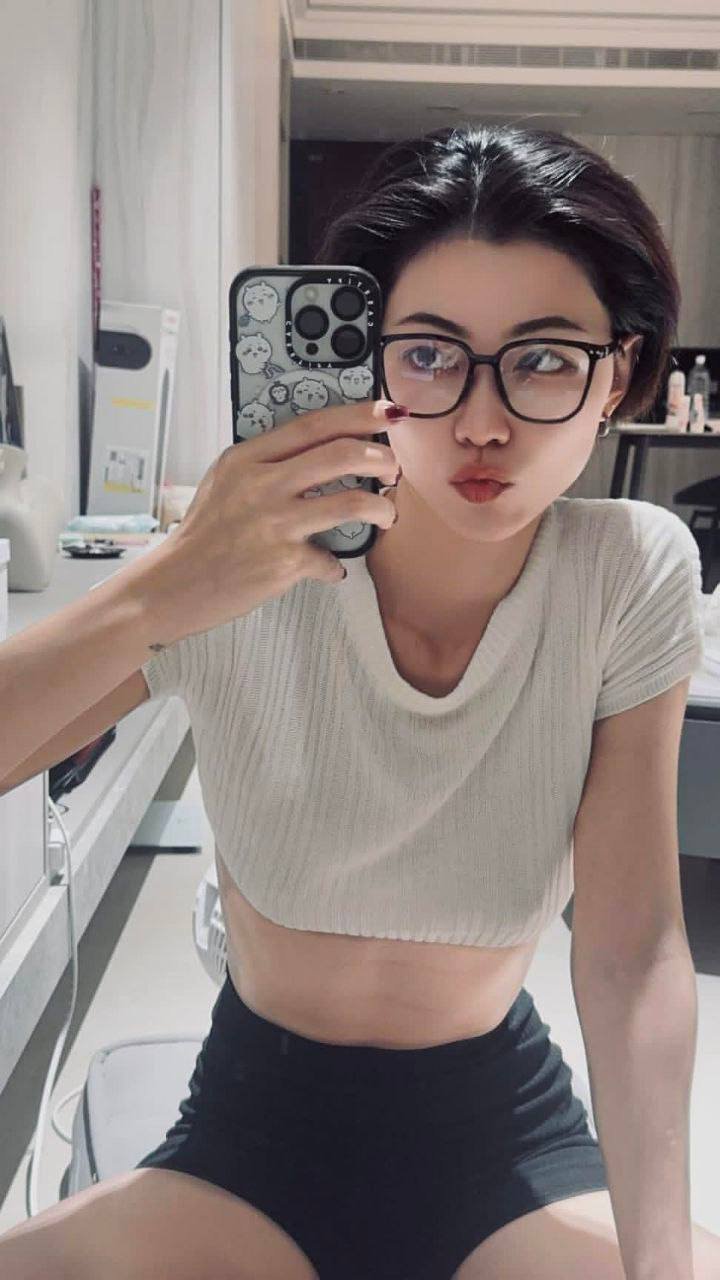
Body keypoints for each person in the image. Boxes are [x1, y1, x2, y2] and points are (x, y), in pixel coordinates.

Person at [2, 123, 720, 1280]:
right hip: (251, 1134)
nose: (482, 422)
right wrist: (169, 585)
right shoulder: (248, 567)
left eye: (543, 359)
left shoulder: (626, 572)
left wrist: (661, 1265)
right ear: (366, 364)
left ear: (620, 377)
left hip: (506, 1136)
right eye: (429, 354)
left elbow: (633, 953)